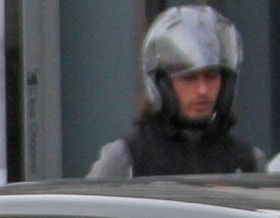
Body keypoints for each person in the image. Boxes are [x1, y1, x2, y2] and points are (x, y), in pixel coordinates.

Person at [90, 5, 265, 178]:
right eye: (189, 78)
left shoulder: (248, 162)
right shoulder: (128, 158)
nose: (202, 90)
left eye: (211, 76)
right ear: (162, 83)